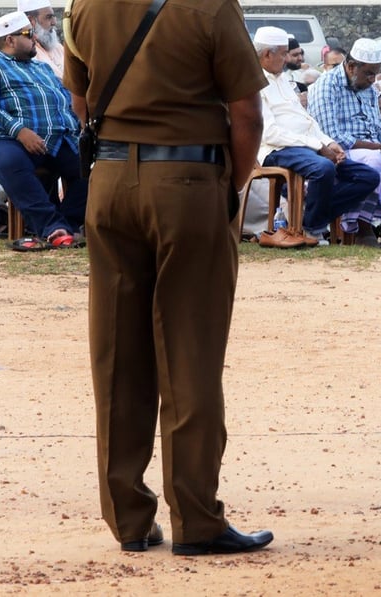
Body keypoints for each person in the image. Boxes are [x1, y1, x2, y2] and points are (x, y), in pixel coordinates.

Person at [63, 0, 276, 554]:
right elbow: (248, 113)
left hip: (108, 181)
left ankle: (128, 518)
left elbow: (80, 99)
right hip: (187, 179)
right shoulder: (209, 6)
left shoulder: (84, 4)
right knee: (190, 352)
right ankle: (197, 518)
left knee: (115, 355)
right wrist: (229, 189)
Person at [254, 26, 380, 245]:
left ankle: (308, 221)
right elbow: (271, 133)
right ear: (267, 54)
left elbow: (307, 122)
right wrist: (318, 147)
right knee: (323, 168)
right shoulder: (254, 83)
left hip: (305, 147)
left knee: (368, 177)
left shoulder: (282, 79)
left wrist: (329, 143)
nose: (287, 59)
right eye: (284, 54)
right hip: (276, 149)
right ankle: (313, 229)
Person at [0, 11, 87, 247]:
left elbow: (66, 101)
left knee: (90, 168)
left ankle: (67, 226)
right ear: (10, 40)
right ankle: (52, 226)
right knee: (11, 163)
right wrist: (20, 131)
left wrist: (78, 126)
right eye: (28, 34)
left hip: (56, 139)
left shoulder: (42, 68)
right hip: (5, 139)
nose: (34, 40)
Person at [308, 38, 381, 250]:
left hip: (373, 148)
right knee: (373, 160)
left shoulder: (370, 90)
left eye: (376, 73)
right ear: (352, 66)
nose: (374, 80)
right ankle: (362, 228)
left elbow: (378, 127)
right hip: (338, 152)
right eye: (369, 74)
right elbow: (330, 134)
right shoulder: (326, 86)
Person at [18, 0, 63, 78]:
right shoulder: (25, 52)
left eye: (53, 16)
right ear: (31, 21)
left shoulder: (58, 48)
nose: (54, 22)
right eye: (48, 17)